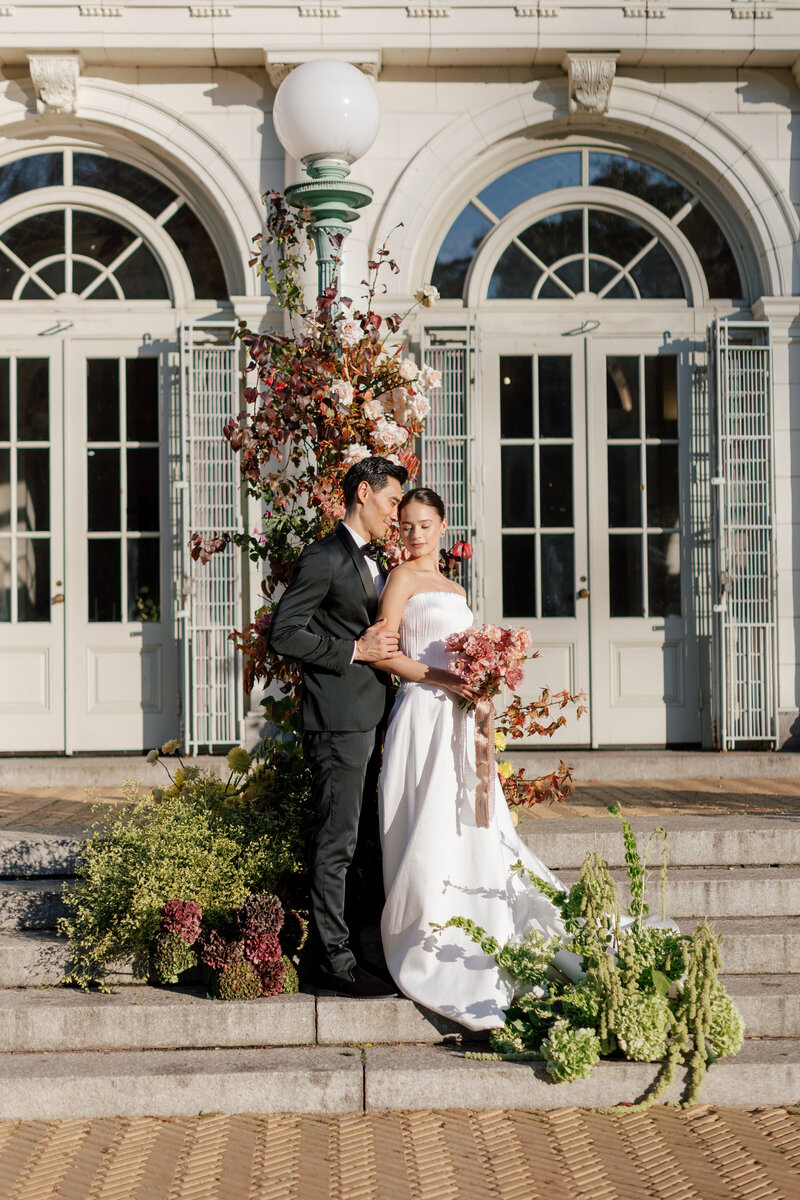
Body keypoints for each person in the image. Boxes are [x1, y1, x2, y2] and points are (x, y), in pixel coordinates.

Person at [371, 488, 590, 1030]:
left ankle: (486, 916)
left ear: (442, 526)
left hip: (464, 717)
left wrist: (483, 688)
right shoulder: (400, 580)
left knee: (474, 824)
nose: (415, 535)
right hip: (423, 714)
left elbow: (466, 651)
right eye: (406, 526)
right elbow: (386, 650)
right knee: (429, 823)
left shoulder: (455, 587)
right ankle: (431, 930)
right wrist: (447, 679)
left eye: (424, 524)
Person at [268, 455, 408, 998]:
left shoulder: (372, 559)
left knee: (356, 838)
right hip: (336, 722)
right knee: (336, 840)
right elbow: (284, 632)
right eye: (392, 501)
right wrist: (353, 649)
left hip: (370, 717)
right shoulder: (323, 557)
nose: (395, 514)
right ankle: (332, 961)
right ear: (364, 492)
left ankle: (352, 946)